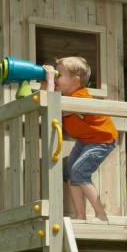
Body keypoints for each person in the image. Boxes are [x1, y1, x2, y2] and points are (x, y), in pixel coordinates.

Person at [42, 56, 116, 221]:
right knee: (70, 173)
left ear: (75, 81)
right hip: (86, 140)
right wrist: (46, 83)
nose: (55, 77)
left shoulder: (79, 97)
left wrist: (50, 84)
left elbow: (52, 107)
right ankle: (80, 215)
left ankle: (101, 214)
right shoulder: (66, 96)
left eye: (58, 75)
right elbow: (48, 102)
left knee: (79, 172)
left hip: (102, 139)